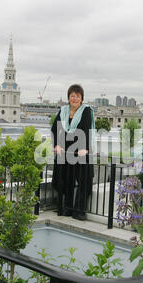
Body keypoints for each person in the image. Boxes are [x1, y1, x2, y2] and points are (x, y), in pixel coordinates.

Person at [51, 84, 94, 221]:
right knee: (66, 181)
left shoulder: (86, 111)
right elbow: (54, 128)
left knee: (83, 181)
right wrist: (57, 145)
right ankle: (67, 209)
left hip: (81, 152)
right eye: (72, 96)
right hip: (65, 151)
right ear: (68, 97)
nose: (75, 98)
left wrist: (85, 148)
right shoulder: (63, 111)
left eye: (78, 96)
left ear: (82, 98)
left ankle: (79, 211)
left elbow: (88, 130)